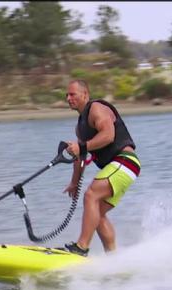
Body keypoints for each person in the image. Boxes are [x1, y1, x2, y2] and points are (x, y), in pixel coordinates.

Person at [59, 79, 141, 256]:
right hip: (120, 168)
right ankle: (113, 258)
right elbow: (81, 156)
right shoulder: (80, 128)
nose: (68, 98)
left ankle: (81, 247)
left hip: (125, 161)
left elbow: (108, 135)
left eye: (72, 94)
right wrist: (74, 182)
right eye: (66, 95)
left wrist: (81, 147)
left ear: (85, 94)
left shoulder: (96, 108)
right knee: (96, 214)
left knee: (91, 195)